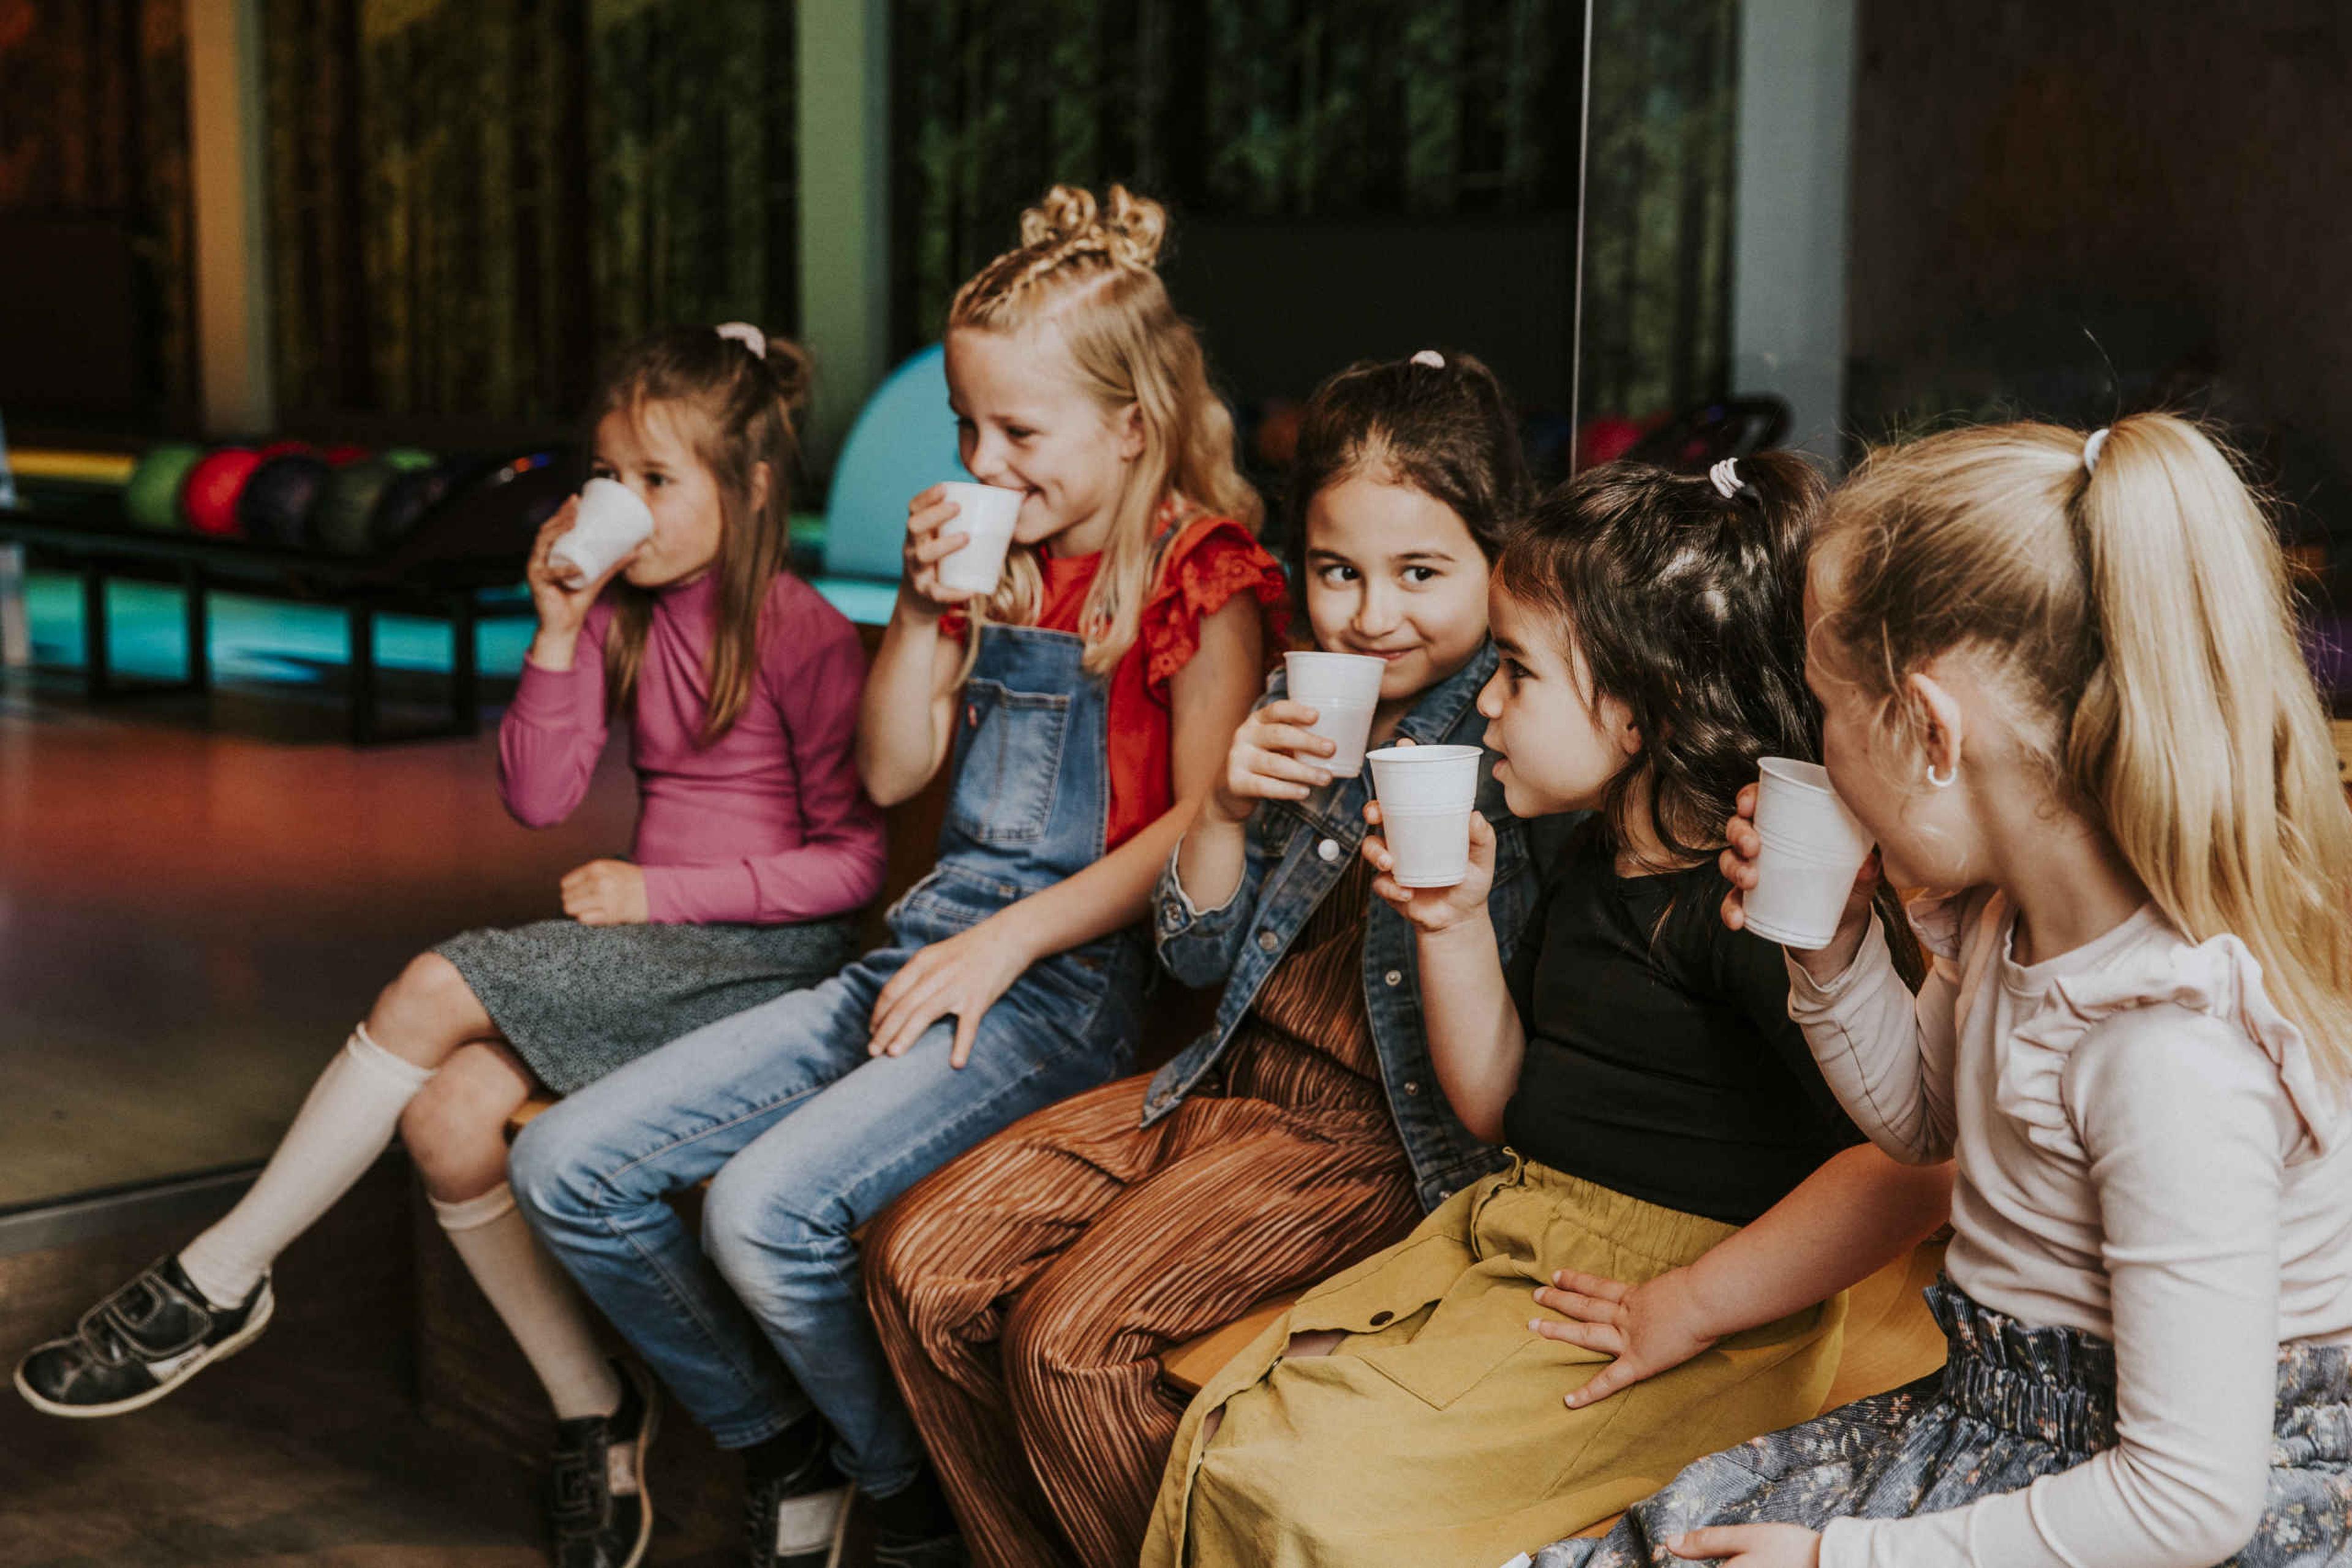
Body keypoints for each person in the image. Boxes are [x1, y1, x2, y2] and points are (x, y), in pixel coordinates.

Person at [507, 184, 1287, 1568]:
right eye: (966, 428)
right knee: (565, 1164)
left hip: (1066, 989)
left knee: (766, 1210)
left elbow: (1200, 820)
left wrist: (1006, 946)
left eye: (1018, 432)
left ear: (1131, 422)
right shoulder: (996, 564)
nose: (984, 458)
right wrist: (927, 613)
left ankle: (915, 1507)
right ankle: (798, 1441)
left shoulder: (1199, 580)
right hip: (920, 954)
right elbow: (886, 771)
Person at [17, 322, 882, 1568]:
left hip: (764, 959)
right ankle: (598, 1409)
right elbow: (537, 793)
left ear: (748, 490)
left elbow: (852, 866)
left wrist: (664, 896)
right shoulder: (625, 614)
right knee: (448, 1117)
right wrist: (554, 625)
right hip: (663, 958)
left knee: (436, 979)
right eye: (606, 472)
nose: (616, 505)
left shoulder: (797, 628)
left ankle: (220, 1276)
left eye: (654, 479)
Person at [1531, 415, 2352, 1568]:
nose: (1814, 745)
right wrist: (1831, 951)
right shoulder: (2017, 919)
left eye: (1824, 703)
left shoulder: (2164, 1053)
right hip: (2017, 1425)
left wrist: (1840, 1562)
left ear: (1927, 731)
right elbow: (1923, 1124)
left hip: (2147, 1503)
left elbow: (2188, 1501)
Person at [1142, 456, 1953, 1568]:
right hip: (1529, 1241)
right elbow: (1493, 1106)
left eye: (1516, 672)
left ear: (1636, 710)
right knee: (1240, 1424)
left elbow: (1912, 1169)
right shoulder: (1590, 853)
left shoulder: (1753, 903)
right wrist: (1451, 923)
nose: (1486, 701)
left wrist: (1694, 1304)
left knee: (1300, 1499)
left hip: (1694, 1313)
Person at [865, 349, 1566, 1568]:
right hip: (1220, 1083)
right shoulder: (1313, 705)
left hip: (1369, 1141)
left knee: (1067, 1342)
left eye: (1421, 573)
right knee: (915, 1262)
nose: (1372, 611)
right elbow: (1196, 947)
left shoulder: (1518, 737)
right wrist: (1225, 812)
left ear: (1499, 567)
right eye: (1339, 570)